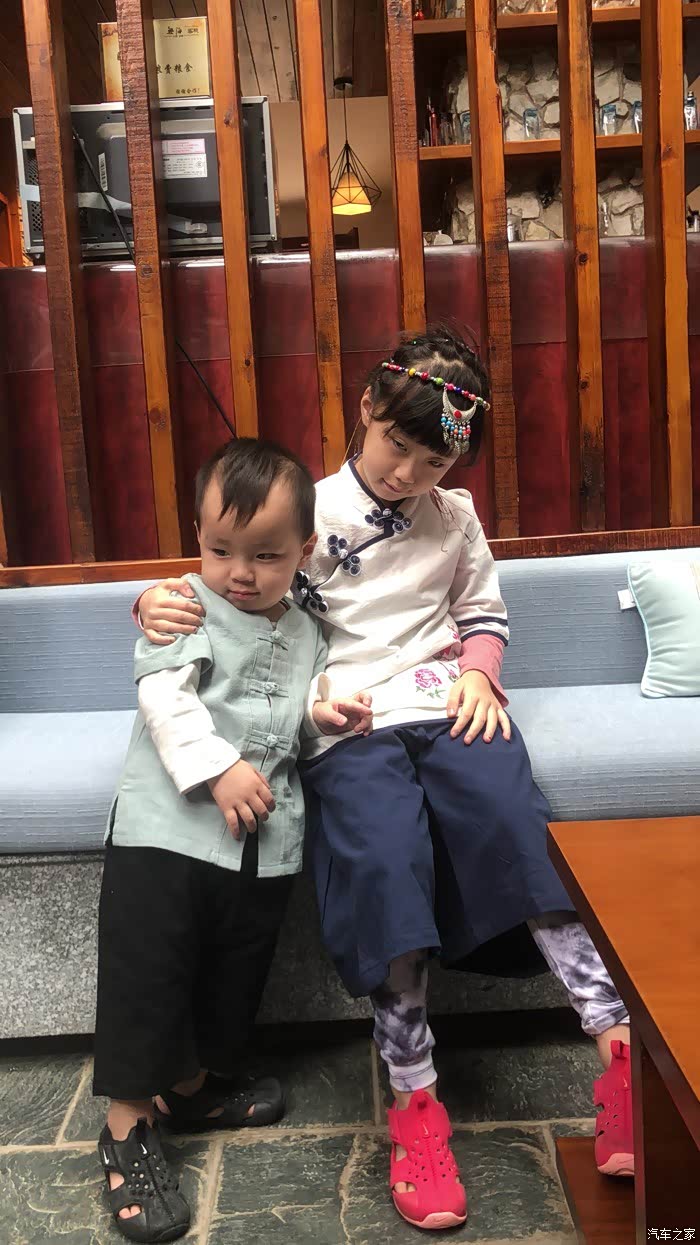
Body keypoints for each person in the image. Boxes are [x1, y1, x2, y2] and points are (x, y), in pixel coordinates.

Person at [136, 330, 633, 1234]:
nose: (408, 472)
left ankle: (621, 1056)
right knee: (382, 855)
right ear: (365, 408)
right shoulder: (307, 507)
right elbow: (235, 579)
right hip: (344, 716)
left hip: (446, 699)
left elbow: (482, 612)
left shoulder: (457, 517)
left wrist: (480, 673)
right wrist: (157, 599)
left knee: (514, 825)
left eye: (433, 459)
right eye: (397, 445)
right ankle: (415, 1100)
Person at [95, 438, 372, 1243]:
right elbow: (165, 698)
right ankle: (125, 1126)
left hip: (262, 839)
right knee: (150, 968)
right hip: (166, 831)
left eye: (266, 555)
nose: (239, 573)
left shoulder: (311, 628)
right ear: (198, 535)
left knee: (234, 967)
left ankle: (192, 1086)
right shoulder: (181, 603)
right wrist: (217, 768)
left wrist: (324, 714)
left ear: (305, 550)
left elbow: (301, 713)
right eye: (220, 549)